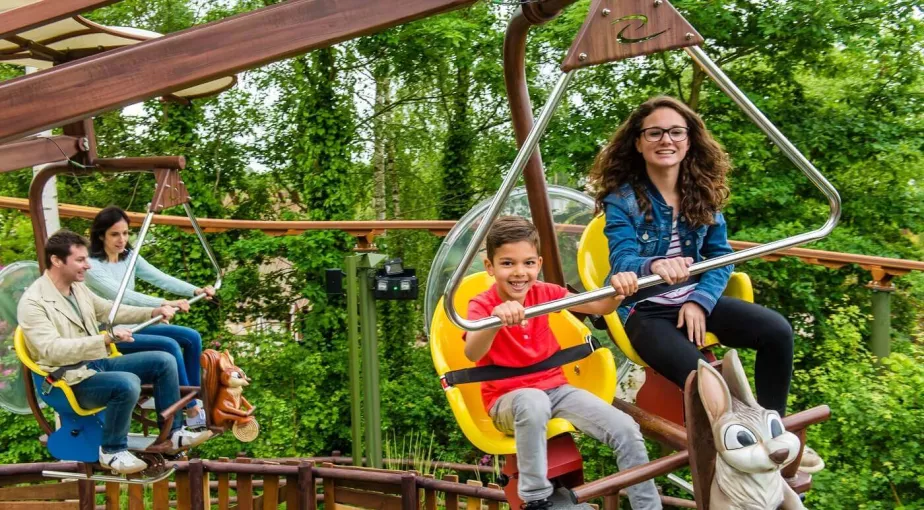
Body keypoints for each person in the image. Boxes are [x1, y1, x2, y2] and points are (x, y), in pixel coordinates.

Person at [588, 96, 821, 473]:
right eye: (655, 132)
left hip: (692, 300)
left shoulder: (702, 193)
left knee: (777, 331)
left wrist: (699, 301)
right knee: (708, 380)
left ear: (689, 140)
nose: (667, 140)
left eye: (676, 132)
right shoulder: (624, 200)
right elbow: (622, 259)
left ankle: (772, 427)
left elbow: (720, 257)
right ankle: (747, 443)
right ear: (638, 142)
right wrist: (655, 264)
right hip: (647, 312)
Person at [465, 216, 661, 510]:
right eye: (508, 264)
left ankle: (648, 507)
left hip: (555, 389)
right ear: (490, 267)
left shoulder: (545, 293)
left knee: (625, 428)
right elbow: (471, 352)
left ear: (539, 263)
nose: (520, 272)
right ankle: (536, 499)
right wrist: (494, 321)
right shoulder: (481, 304)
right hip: (507, 400)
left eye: (528, 263)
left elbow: (600, 305)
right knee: (532, 402)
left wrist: (619, 290)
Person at [17, 230, 210, 474]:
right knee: (126, 383)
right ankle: (112, 450)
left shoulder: (77, 289)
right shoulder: (34, 302)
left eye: (86, 259)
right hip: (66, 380)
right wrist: (104, 339)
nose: (87, 266)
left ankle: (175, 433)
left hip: (94, 366)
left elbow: (108, 310)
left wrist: (153, 312)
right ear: (56, 260)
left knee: (163, 360)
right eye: (80, 260)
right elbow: (52, 350)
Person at [85, 206, 214, 428]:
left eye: (125, 233)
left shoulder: (129, 257)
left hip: (137, 324)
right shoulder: (92, 267)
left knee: (191, 337)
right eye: (115, 234)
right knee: (169, 346)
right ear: (100, 235)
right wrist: (163, 304)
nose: (122, 239)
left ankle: (195, 401)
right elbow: (122, 295)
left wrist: (195, 290)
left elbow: (160, 278)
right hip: (112, 334)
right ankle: (189, 408)